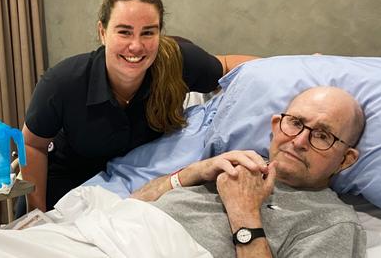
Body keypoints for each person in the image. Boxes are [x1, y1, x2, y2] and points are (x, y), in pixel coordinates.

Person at [21, 0, 258, 213]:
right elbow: (32, 145)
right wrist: (36, 214)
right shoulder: (63, 83)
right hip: (65, 189)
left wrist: (291, 76)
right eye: (124, 32)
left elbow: (228, 65)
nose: (136, 46)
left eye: (148, 33)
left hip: (134, 190)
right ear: (102, 32)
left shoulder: (176, 63)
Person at [132, 86, 367, 257]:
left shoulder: (333, 223)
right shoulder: (234, 163)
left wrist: (244, 213)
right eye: (295, 123)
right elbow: (134, 202)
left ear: (345, 160)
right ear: (276, 126)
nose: (299, 141)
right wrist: (194, 172)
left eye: (322, 135)